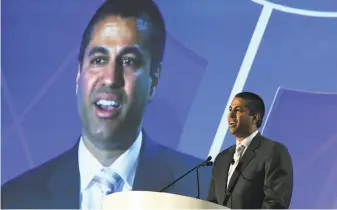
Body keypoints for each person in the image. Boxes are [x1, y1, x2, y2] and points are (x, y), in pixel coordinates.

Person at [1, 0, 211, 209]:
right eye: (99, 60)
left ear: (154, 79)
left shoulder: (205, 189)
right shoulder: (16, 200)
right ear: (78, 74)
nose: (111, 78)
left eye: (128, 61)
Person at [207, 91, 293, 209]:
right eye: (230, 109)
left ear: (255, 118)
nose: (230, 115)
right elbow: (211, 203)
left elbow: (276, 203)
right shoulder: (222, 159)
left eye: (238, 110)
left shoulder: (274, 152)